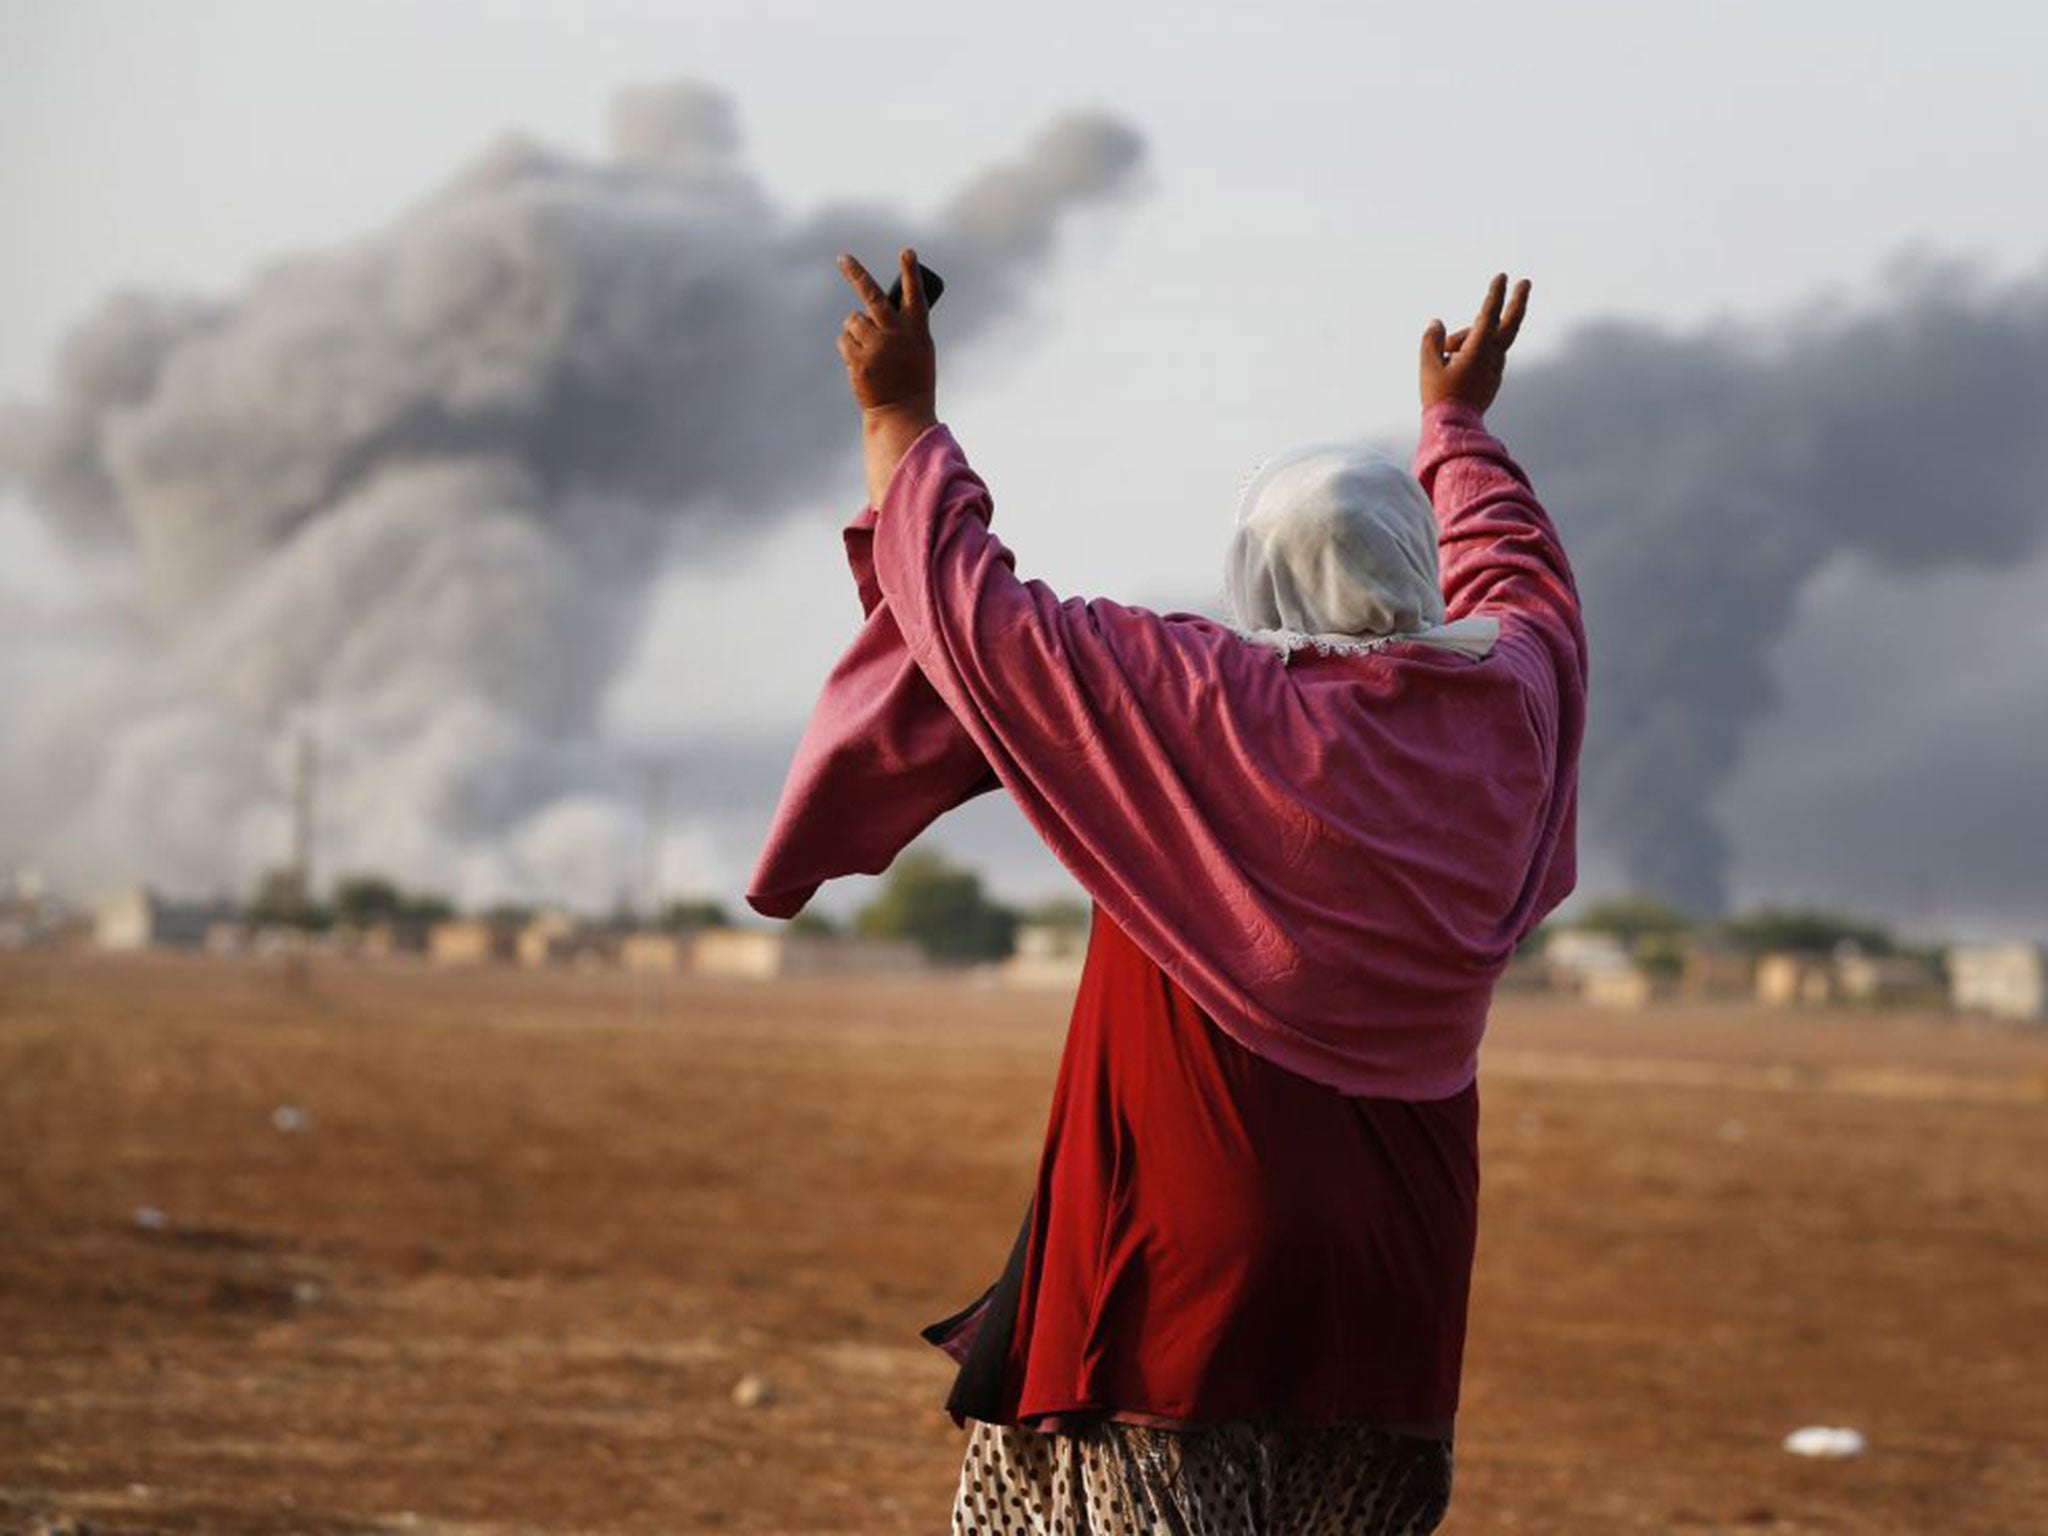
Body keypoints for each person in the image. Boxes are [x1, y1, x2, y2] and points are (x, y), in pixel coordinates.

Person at [749, 251, 1585, 1535]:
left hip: (1182, 1276)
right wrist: (1457, 432)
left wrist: (895, 416)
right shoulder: (1510, 711)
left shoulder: (1202, 703)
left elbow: (972, 613)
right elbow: (1520, 574)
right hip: (1398, 1283)